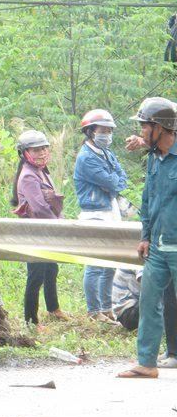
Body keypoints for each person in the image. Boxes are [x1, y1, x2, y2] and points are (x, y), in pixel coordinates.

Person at [119, 97, 177, 379]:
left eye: (145, 126)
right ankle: (147, 362)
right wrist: (145, 236)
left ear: (161, 128)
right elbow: (149, 198)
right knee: (149, 301)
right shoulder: (155, 159)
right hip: (158, 246)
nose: (141, 132)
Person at [73, 109, 128, 322]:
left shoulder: (106, 153)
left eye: (109, 130)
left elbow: (121, 179)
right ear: (90, 131)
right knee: (95, 263)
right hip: (94, 214)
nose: (107, 134)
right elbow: (113, 182)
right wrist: (112, 181)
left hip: (110, 211)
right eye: (102, 130)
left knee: (110, 263)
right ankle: (94, 311)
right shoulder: (86, 157)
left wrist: (113, 181)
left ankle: (106, 308)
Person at [11, 129, 66, 325]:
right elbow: (40, 208)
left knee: (51, 269)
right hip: (35, 233)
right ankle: (31, 320)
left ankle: (53, 308)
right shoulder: (28, 176)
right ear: (25, 153)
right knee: (36, 276)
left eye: (44, 148)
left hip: (47, 230)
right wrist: (60, 225)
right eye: (36, 150)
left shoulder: (41, 171)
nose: (41, 153)